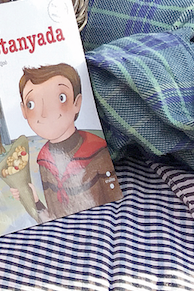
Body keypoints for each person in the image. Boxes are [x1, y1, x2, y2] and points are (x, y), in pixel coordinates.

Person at [16, 62, 121, 221]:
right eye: (32, 104)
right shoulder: (43, 160)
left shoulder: (97, 153)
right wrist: (35, 201)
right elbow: (52, 216)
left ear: (77, 103)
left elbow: (114, 204)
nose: (45, 113)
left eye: (61, 98)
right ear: (23, 110)